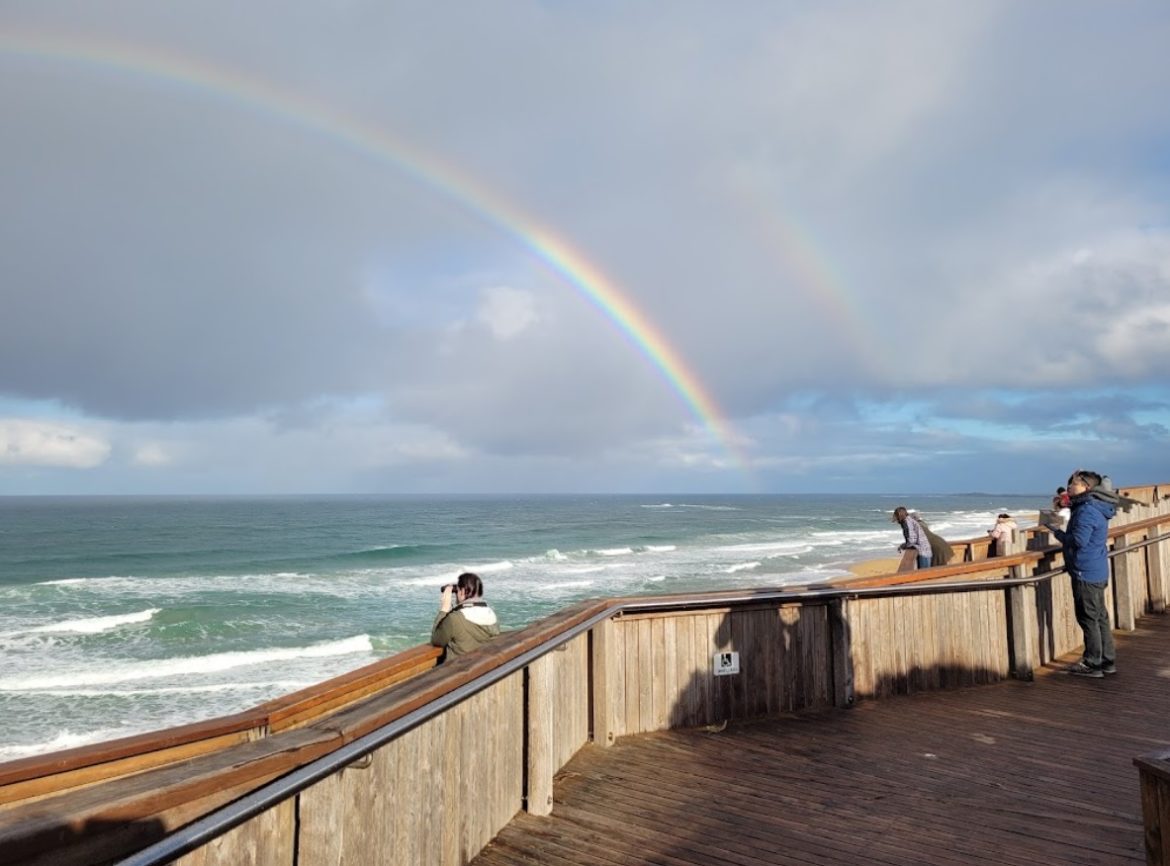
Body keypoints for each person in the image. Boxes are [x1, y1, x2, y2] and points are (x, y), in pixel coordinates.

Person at [1051, 470, 1119, 678]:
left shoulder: (1087, 510)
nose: (1070, 487)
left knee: (1089, 618)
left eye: (1075, 484)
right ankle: (1107, 661)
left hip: (1085, 571)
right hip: (1096, 568)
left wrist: (1056, 532)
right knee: (1100, 617)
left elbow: (1079, 540)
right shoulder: (1094, 506)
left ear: (1086, 488)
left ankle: (1092, 663)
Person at [431, 572, 500, 660]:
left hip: (458, 670)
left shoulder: (455, 619)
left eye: (458, 590)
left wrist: (444, 608)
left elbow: (436, 640)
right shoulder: (491, 615)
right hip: (484, 667)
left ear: (462, 591)